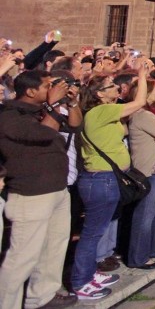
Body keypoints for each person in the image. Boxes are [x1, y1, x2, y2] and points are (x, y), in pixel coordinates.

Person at [0, 70, 81, 309]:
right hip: (31, 193)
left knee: (53, 248)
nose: (52, 89)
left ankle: (42, 296)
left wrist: (71, 101)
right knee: (21, 258)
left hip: (57, 189)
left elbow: (75, 125)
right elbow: (43, 135)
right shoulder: (9, 115)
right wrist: (55, 105)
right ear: (31, 91)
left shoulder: (43, 110)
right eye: (47, 85)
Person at [73, 62, 152, 299]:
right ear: (98, 94)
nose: (116, 89)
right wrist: (141, 76)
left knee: (98, 230)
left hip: (106, 179)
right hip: (101, 179)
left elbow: (124, 132)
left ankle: (90, 272)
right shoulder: (99, 112)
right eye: (110, 86)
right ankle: (80, 282)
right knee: (92, 233)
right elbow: (139, 103)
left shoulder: (106, 112)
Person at [126, 73, 155, 270]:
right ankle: (138, 257)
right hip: (148, 169)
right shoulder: (144, 115)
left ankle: (153, 248)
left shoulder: (152, 114)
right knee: (146, 213)